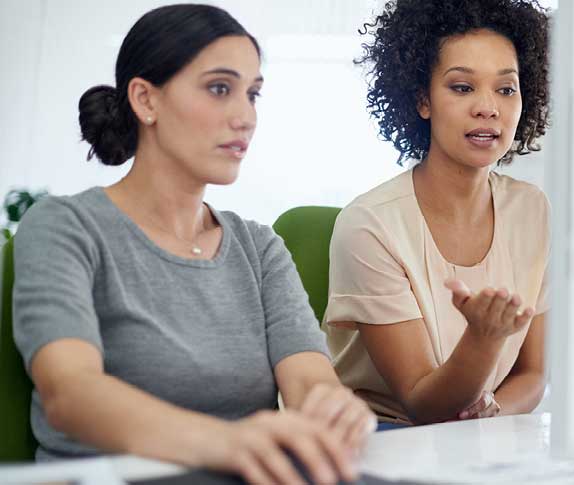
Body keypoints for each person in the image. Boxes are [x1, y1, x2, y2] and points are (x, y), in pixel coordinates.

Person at [13, 5, 374, 484]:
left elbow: (309, 378)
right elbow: (70, 392)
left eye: (253, 94)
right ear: (146, 99)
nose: (245, 116)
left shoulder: (258, 247)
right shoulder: (65, 226)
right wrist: (225, 442)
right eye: (220, 89)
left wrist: (332, 409)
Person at [324, 0, 551, 427]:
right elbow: (424, 405)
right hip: (382, 440)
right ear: (422, 100)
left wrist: (491, 415)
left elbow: (533, 374)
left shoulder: (533, 210)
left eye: (506, 89)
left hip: (483, 438)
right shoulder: (370, 225)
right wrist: (483, 339)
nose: (488, 107)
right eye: (463, 87)